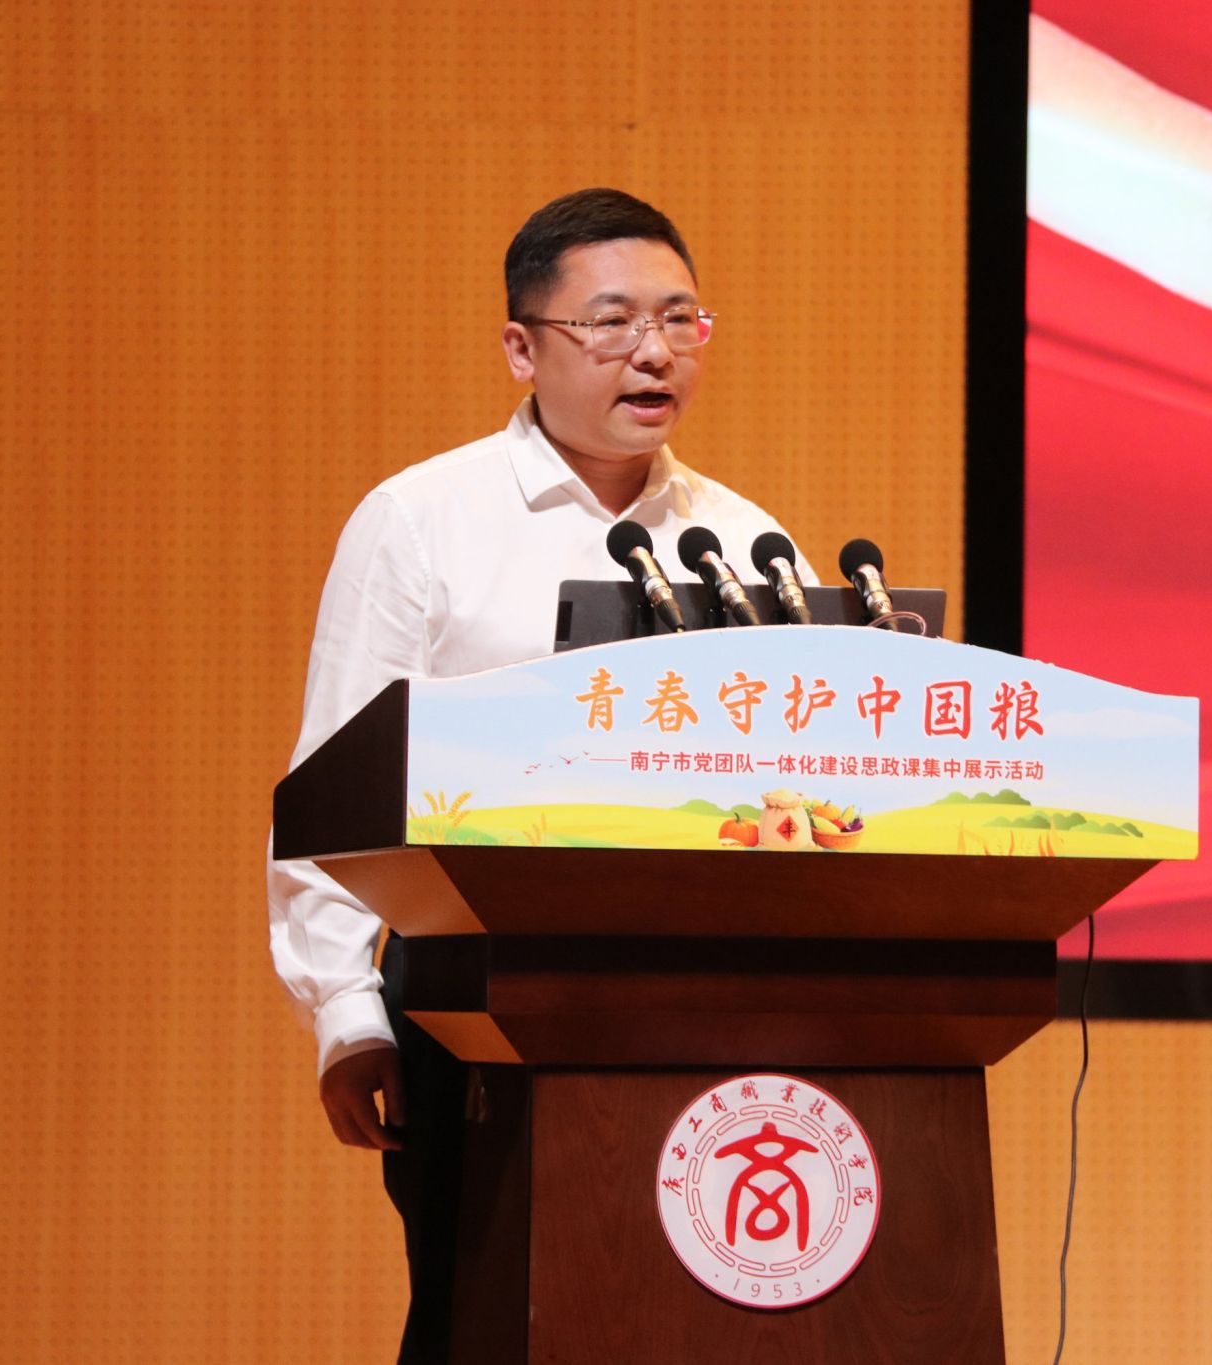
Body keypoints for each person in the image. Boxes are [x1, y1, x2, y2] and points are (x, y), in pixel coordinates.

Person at [267, 188, 814, 1363]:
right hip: (473, 991)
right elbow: (333, 788)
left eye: (678, 319)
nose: (652, 352)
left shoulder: (745, 543)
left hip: (706, 1000)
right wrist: (346, 1017)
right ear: (522, 347)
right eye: (610, 322)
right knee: (489, 1322)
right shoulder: (422, 521)